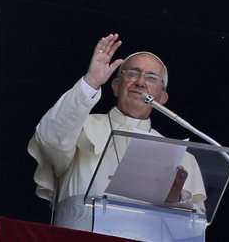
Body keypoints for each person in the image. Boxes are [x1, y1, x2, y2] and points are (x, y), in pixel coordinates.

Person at [28, 34, 206, 230]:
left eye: (151, 78)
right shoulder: (81, 126)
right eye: (132, 74)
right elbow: (49, 140)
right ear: (115, 86)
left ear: (162, 97)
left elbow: (192, 230)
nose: (140, 82)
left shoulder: (181, 158)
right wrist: (91, 82)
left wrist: (174, 199)